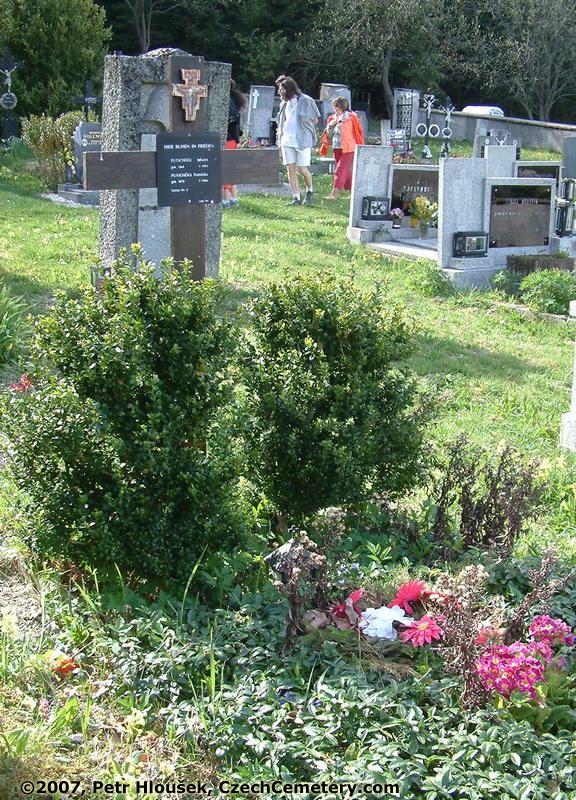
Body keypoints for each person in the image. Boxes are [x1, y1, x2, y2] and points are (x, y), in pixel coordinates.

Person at [275, 77, 320, 206]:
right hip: (287, 140)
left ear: (289, 89)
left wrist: (305, 128)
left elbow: (315, 120)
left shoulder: (306, 100)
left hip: (302, 140)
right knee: (290, 169)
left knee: (302, 169)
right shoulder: (284, 103)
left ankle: (309, 191)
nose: (280, 92)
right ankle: (296, 197)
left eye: (282, 89)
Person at [319, 97, 364, 199]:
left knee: (340, 170)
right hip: (337, 147)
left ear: (343, 107)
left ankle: (334, 194)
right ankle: (354, 192)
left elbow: (350, 132)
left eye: (338, 107)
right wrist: (332, 124)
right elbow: (329, 135)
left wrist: (339, 122)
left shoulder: (350, 117)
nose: (335, 109)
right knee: (346, 172)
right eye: (335, 107)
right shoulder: (332, 118)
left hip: (348, 148)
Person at [223, 79, 247, 208]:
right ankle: (234, 198)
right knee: (230, 168)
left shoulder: (227, 101)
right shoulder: (233, 99)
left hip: (228, 139)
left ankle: (226, 200)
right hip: (232, 139)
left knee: (225, 168)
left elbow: (231, 122)